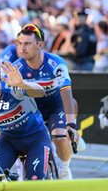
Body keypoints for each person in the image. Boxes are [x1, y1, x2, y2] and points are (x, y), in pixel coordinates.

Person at [13, 24, 81, 180]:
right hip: (31, 109)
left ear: (40, 45)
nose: (22, 48)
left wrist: (71, 125)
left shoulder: (56, 63)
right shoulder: (17, 67)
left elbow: (66, 93)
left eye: (27, 44)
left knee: (59, 137)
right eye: (20, 43)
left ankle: (64, 170)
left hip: (54, 107)